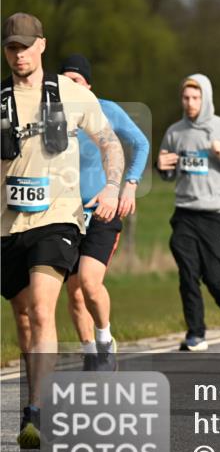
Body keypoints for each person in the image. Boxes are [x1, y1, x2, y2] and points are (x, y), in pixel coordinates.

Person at [1, 13, 124, 448]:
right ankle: (36, 392)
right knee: (23, 316)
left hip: (58, 219)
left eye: (25, 46)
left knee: (41, 308)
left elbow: (110, 142)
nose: (19, 55)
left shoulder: (72, 94)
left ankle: (36, 411)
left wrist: (113, 186)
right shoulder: (1, 100)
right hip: (8, 225)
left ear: (42, 45)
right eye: (11, 47)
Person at [60, 54, 150, 371]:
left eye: (76, 81)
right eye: (64, 81)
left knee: (89, 282)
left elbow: (140, 144)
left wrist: (129, 185)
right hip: (65, 214)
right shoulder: (54, 115)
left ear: (88, 85)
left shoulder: (106, 110)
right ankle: (89, 354)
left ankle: (104, 339)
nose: (70, 86)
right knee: (74, 293)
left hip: (103, 211)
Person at [156, 74, 220, 351]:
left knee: (213, 275)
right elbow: (168, 173)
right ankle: (196, 333)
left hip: (216, 214)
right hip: (185, 212)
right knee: (188, 274)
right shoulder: (174, 132)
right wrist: (161, 167)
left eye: (195, 98)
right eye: (186, 98)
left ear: (206, 99)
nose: (190, 103)